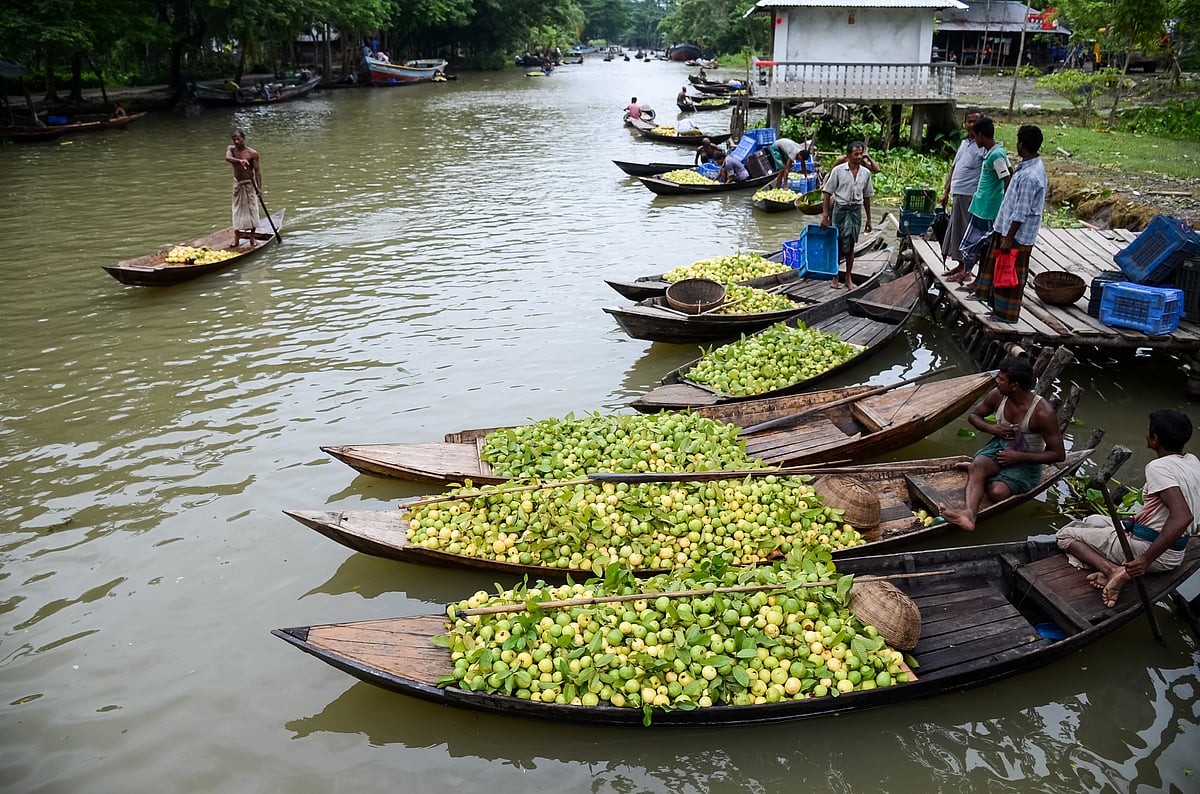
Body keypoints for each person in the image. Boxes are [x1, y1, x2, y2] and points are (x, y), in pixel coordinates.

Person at [1056, 409, 1200, 608]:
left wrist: (1144, 560)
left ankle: (1112, 571)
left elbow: (1183, 516)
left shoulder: (1157, 467)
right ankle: (1112, 562)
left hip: (1152, 551)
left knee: (1065, 535)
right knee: (1093, 520)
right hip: (1172, 548)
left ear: (1155, 438)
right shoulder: (1192, 461)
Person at [939, 355, 1065, 532]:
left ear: (1014, 385)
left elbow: (1058, 454)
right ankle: (968, 514)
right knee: (979, 466)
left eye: (1001, 379)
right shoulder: (998, 396)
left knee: (996, 492)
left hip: (1026, 460)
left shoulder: (1042, 413)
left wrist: (1018, 456)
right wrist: (992, 429)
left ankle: (980, 472)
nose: (997, 381)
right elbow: (974, 416)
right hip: (1000, 447)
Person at [972, 125, 1048, 323]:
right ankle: (997, 310)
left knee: (1010, 278)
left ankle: (1006, 315)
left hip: (1017, 236)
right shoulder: (1028, 168)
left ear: (1021, 145)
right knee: (1000, 272)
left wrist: (1008, 238)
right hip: (1006, 230)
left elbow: (1021, 212)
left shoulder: (1030, 176)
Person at [954, 117, 1010, 290]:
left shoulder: (996, 155)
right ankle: (977, 279)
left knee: (983, 246)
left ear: (981, 135)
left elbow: (1006, 178)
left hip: (988, 209)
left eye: (975, 136)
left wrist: (1006, 205)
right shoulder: (991, 153)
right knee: (976, 245)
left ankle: (980, 281)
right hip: (981, 205)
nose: (974, 140)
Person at [820, 141, 874, 289]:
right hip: (840, 209)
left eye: (861, 154)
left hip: (855, 210)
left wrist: (869, 219)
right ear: (848, 155)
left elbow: (867, 196)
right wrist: (825, 216)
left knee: (850, 245)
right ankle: (835, 277)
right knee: (836, 243)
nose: (859, 157)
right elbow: (827, 192)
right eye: (856, 154)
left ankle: (848, 278)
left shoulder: (866, 173)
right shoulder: (838, 171)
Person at [940, 108, 985, 277]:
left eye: (975, 121)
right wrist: (946, 190)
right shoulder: (964, 143)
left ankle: (967, 269)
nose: (972, 125)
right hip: (958, 194)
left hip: (970, 195)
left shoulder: (983, 146)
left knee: (968, 232)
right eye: (969, 121)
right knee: (957, 231)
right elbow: (954, 167)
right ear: (964, 123)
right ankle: (960, 265)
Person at [225, 129, 261, 248]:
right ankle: (237, 238)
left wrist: (259, 189)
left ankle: (252, 237)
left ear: (243, 138)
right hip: (238, 183)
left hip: (250, 184)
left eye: (238, 139)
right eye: (234, 139)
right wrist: (239, 161)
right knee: (237, 211)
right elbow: (228, 158)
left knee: (252, 210)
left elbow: (257, 172)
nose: (236, 141)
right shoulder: (231, 149)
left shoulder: (252, 153)